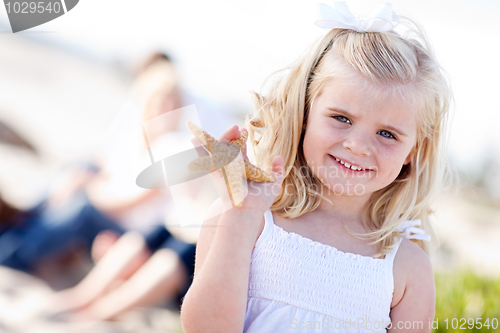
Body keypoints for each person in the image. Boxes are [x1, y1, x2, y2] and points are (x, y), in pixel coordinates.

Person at [180, 2, 451, 332]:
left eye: (386, 133)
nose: (358, 145)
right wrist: (240, 217)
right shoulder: (245, 219)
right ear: (304, 113)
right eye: (341, 118)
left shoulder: (408, 268)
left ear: (413, 151)